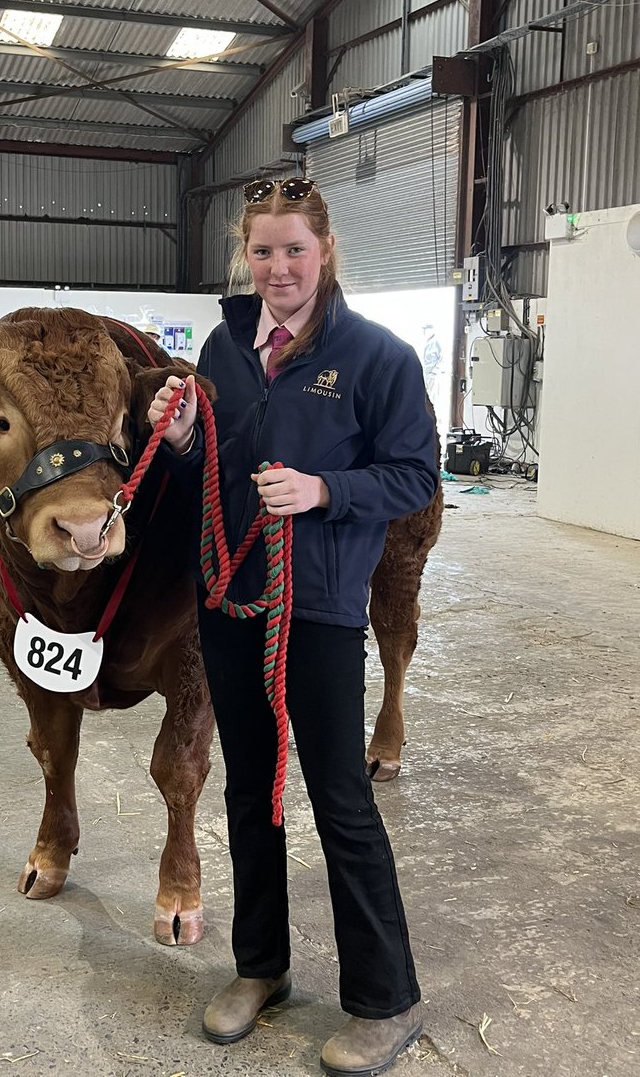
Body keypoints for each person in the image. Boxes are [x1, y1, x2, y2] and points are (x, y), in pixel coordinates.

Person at [147, 176, 438, 1076]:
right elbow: (219, 463)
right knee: (249, 789)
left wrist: (324, 492)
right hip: (230, 600)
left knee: (340, 799)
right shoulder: (222, 350)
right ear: (248, 256)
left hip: (314, 609)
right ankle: (260, 966)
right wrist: (187, 434)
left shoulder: (378, 357)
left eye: (294, 250)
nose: (278, 268)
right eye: (263, 251)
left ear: (326, 252)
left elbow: (416, 476)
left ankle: (388, 1000)